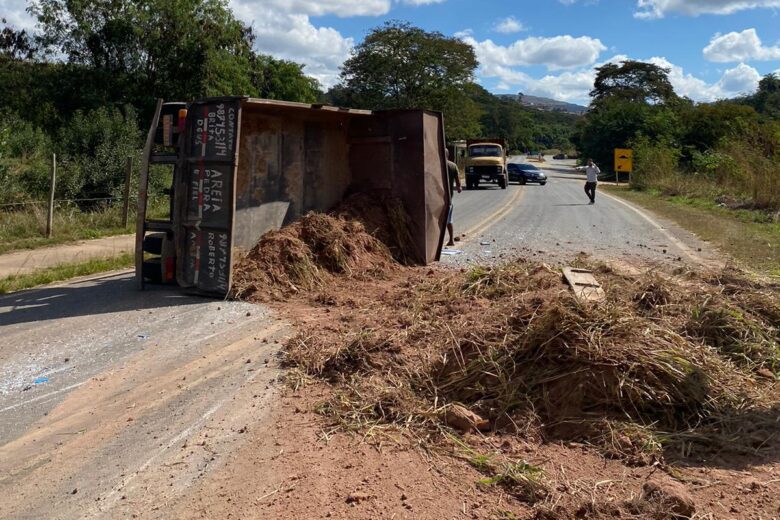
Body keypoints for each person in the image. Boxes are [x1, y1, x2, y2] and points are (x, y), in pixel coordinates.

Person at [446, 150, 463, 246]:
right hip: (448, 197)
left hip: (436, 196)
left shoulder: (436, 165)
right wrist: (459, 187)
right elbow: (458, 181)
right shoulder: (452, 166)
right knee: (449, 219)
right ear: (448, 155)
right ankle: (451, 240)